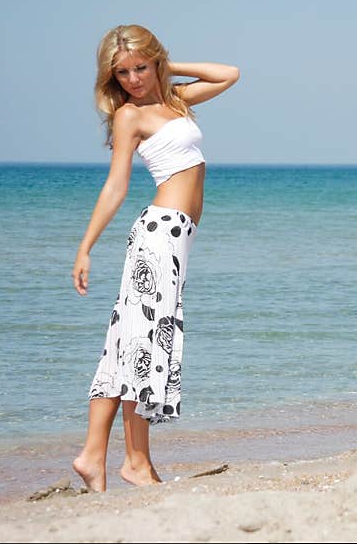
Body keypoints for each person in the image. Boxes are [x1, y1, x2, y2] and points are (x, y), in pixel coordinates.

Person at [71, 24, 239, 492]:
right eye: (122, 72)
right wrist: (85, 248)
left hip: (177, 236)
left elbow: (229, 74)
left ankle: (93, 456)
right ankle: (135, 463)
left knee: (129, 343)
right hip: (158, 234)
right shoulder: (129, 117)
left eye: (141, 67)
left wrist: (169, 68)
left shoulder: (176, 101)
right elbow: (116, 186)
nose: (133, 79)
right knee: (141, 345)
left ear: (155, 63)